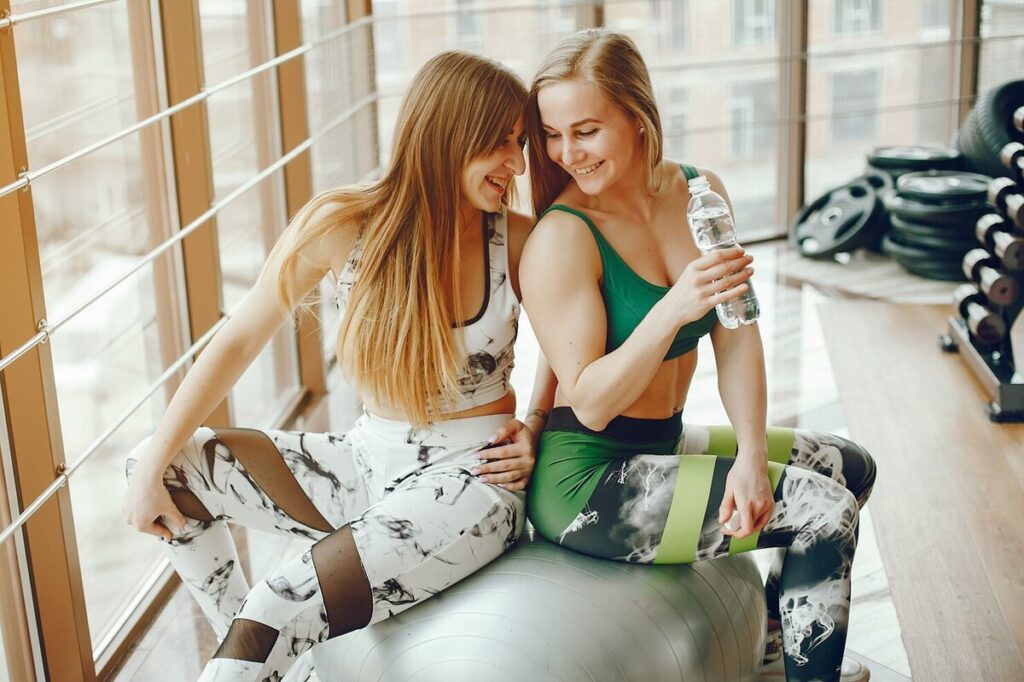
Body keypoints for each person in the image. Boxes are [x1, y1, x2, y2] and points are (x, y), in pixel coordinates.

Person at [122, 51, 554, 681]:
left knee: (278, 604)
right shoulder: (343, 224)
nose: (516, 164)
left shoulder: (518, 239)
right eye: (501, 143)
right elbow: (240, 339)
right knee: (161, 470)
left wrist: (536, 424)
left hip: (474, 478)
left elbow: (573, 350)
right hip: (365, 462)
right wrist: (156, 462)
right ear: (448, 134)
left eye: (521, 144)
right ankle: (245, 655)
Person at [520, 29, 876, 682]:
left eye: (587, 130)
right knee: (826, 515)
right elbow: (592, 403)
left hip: (662, 441)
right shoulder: (561, 238)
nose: (567, 152)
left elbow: (736, 331)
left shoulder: (699, 193)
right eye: (552, 134)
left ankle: (775, 648)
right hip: (590, 482)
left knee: (851, 467)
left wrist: (747, 454)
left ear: (637, 115)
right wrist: (671, 309)